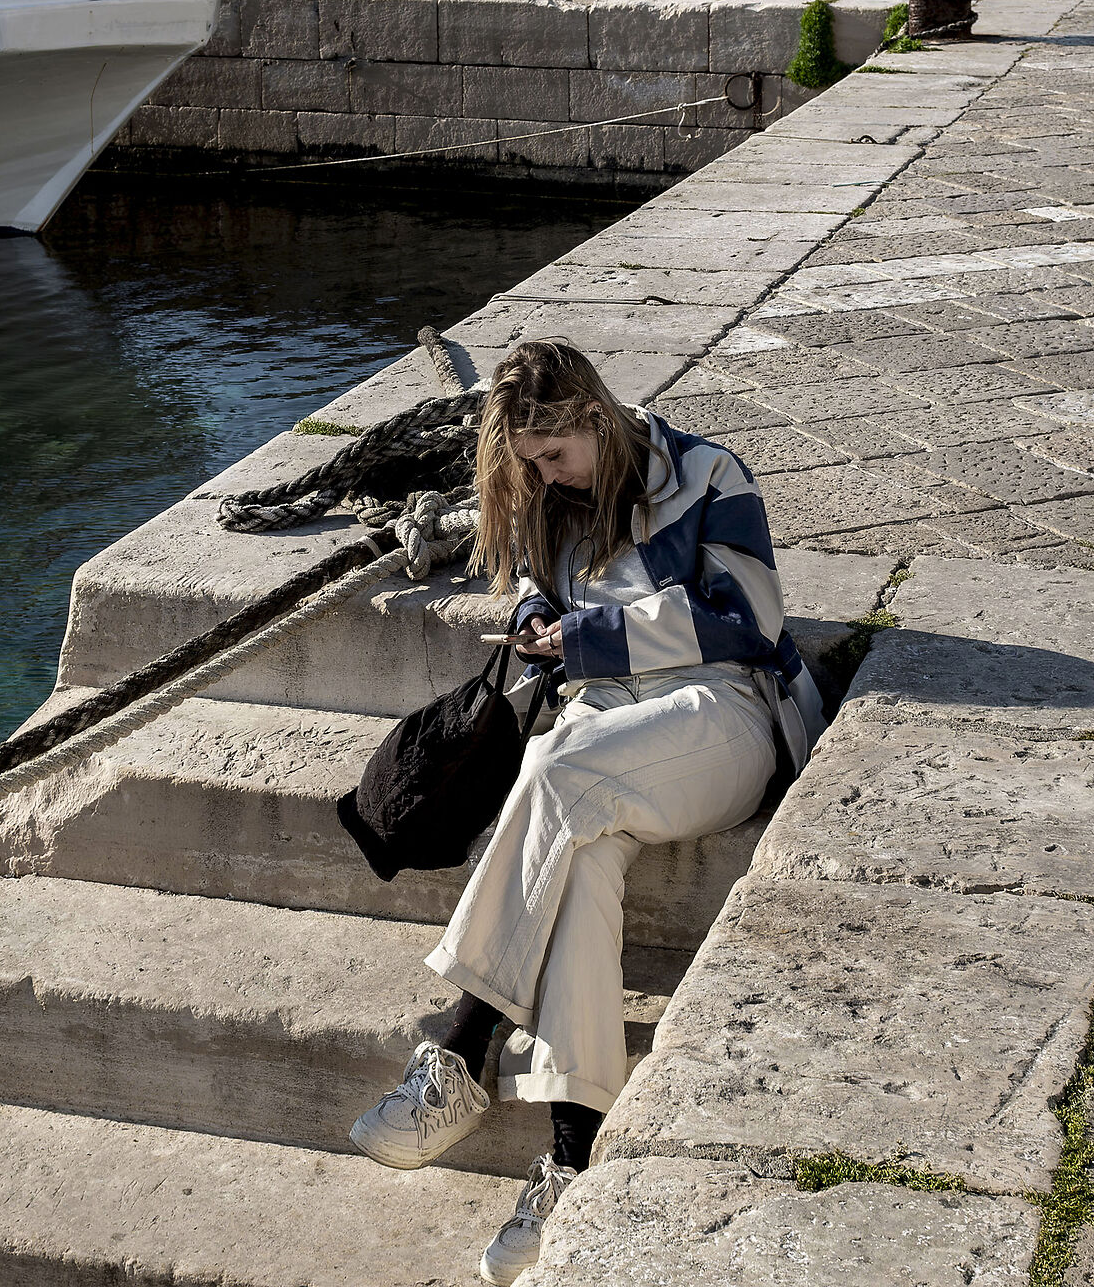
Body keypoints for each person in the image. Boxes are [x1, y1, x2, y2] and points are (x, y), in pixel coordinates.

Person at [348, 340, 826, 1286]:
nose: (545, 475)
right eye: (527, 462)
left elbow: (752, 618)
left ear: (598, 421)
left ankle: (462, 1040)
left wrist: (588, 633)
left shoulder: (707, 473)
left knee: (558, 772)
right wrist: (535, 620)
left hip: (720, 712)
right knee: (584, 857)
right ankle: (570, 1161)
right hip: (603, 727)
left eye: (556, 455)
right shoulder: (548, 503)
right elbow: (545, 597)